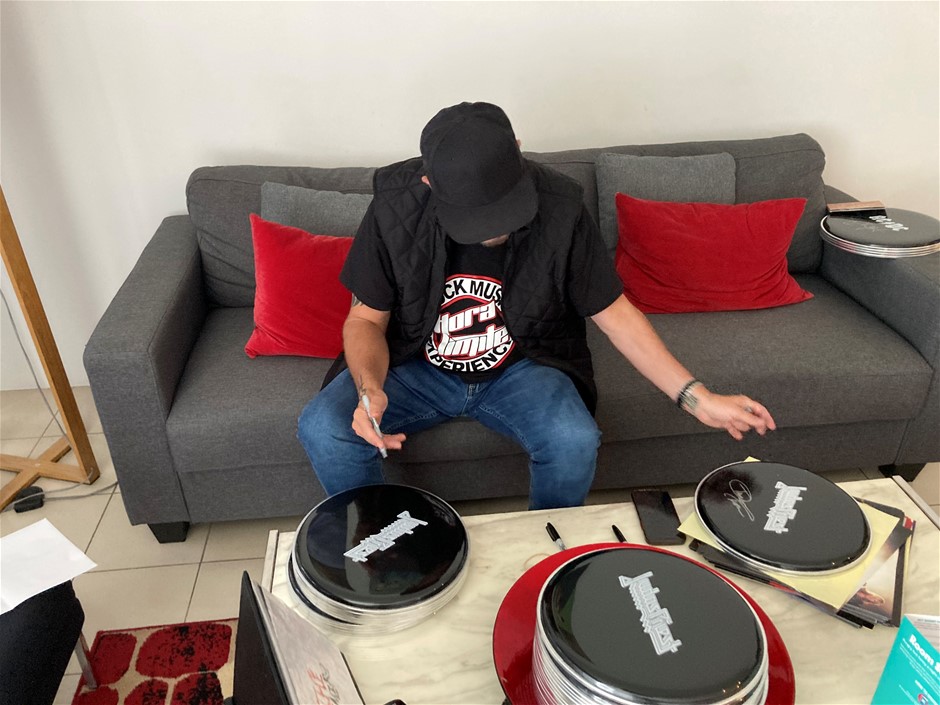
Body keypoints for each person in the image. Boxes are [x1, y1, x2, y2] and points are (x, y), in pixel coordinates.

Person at [298, 101, 775, 510]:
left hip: (523, 366)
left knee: (574, 438)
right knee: (323, 427)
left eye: (505, 210)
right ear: (428, 182)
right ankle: (378, 540)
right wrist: (369, 388)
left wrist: (696, 397)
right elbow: (365, 318)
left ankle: (549, 550)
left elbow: (615, 315)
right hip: (414, 366)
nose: (495, 229)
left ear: (519, 150)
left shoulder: (561, 205)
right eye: (477, 218)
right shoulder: (395, 206)